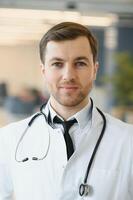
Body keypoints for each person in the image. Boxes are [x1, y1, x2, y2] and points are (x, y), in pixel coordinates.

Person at [0, 22, 133, 200]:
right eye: (57, 64)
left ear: (95, 69)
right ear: (44, 71)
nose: (69, 75)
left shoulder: (128, 141)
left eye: (80, 63)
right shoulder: (9, 139)